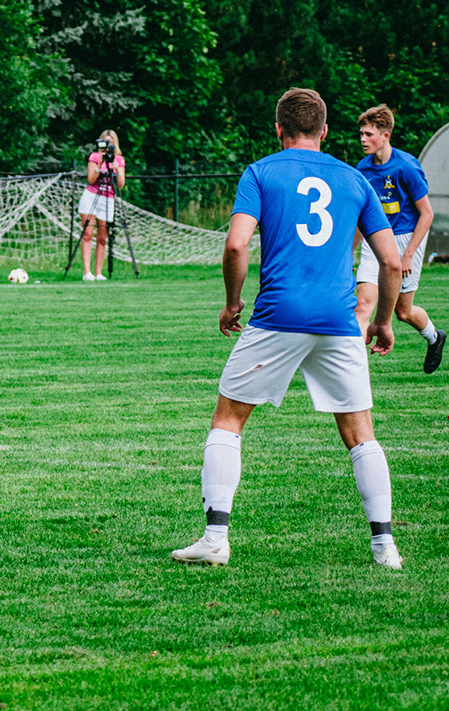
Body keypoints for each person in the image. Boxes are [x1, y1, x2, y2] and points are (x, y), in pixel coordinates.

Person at [171, 88, 406, 570]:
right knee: (360, 433)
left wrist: (233, 302)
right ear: (325, 131)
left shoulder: (261, 172)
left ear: (278, 129)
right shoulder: (354, 179)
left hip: (277, 315)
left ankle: (215, 539)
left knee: (229, 418)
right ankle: (385, 548)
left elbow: (236, 245)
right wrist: (383, 321)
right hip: (339, 321)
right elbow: (390, 262)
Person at [353, 104, 446, 373]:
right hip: (376, 239)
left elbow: (427, 215)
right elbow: (362, 215)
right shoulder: (363, 169)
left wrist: (407, 255)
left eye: (368, 134)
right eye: (361, 133)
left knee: (403, 312)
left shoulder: (406, 167)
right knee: (363, 305)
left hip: (406, 239)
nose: (362, 139)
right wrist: (348, 252)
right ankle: (353, 372)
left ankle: (434, 337)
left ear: (385, 135)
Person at [78, 129, 125, 281]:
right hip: (91, 196)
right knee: (88, 233)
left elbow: (121, 184)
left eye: (110, 142)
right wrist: (99, 164)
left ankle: (98, 273)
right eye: (105, 142)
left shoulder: (118, 160)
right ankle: (87, 272)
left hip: (107, 198)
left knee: (102, 236)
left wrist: (116, 169)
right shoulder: (94, 157)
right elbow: (91, 180)